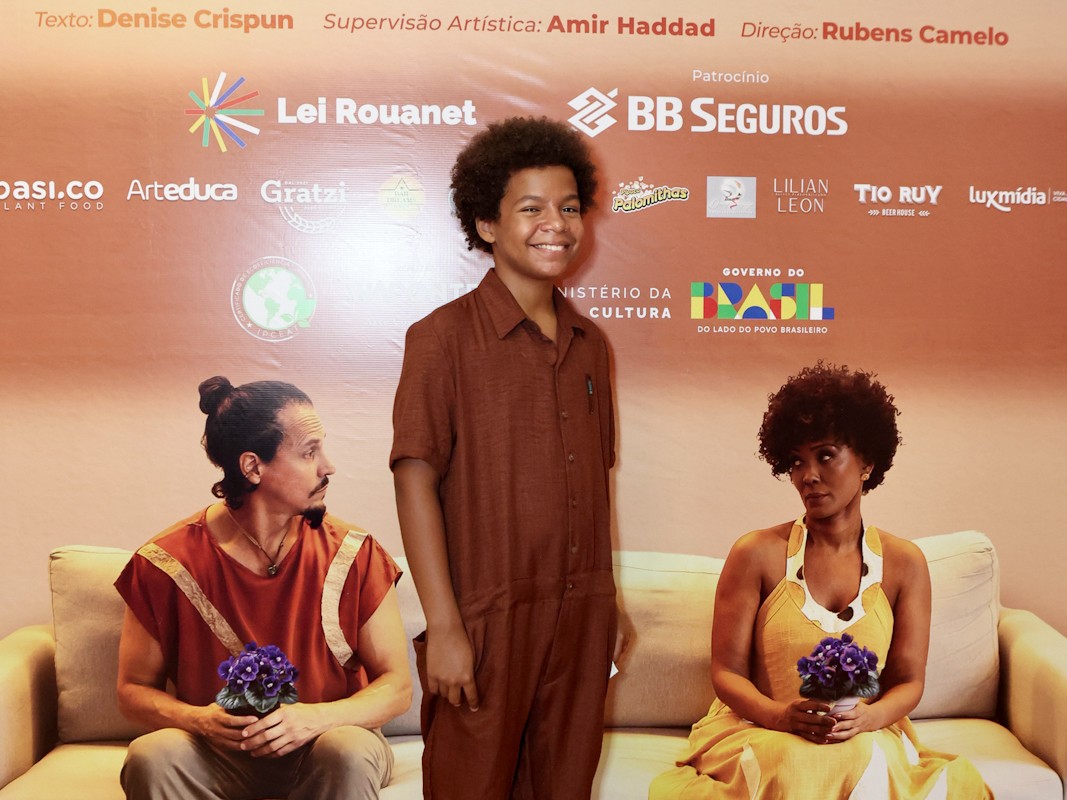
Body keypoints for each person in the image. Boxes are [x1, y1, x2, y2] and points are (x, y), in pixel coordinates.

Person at [391, 116, 621, 799]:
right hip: (486, 617)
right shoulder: (440, 338)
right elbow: (414, 482)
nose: (556, 225)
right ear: (486, 224)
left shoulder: (591, 345)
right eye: (531, 209)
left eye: (569, 208)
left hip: (581, 616)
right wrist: (445, 627)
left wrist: (606, 606)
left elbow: (596, 484)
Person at [649, 363, 992, 799]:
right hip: (763, 731)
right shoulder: (755, 553)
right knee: (793, 762)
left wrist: (869, 718)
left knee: (864, 759)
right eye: (796, 461)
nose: (807, 475)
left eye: (825, 455)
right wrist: (779, 717)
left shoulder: (905, 564)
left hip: (862, 734)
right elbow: (727, 673)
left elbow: (909, 680)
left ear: (867, 461)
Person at [115, 377, 411, 800]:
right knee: (152, 754)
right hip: (217, 755)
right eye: (309, 452)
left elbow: (397, 686)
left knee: (348, 750)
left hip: (325, 742)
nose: (328, 466)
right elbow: (132, 691)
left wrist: (315, 719)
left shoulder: (354, 553)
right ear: (253, 467)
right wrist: (200, 720)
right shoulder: (165, 562)